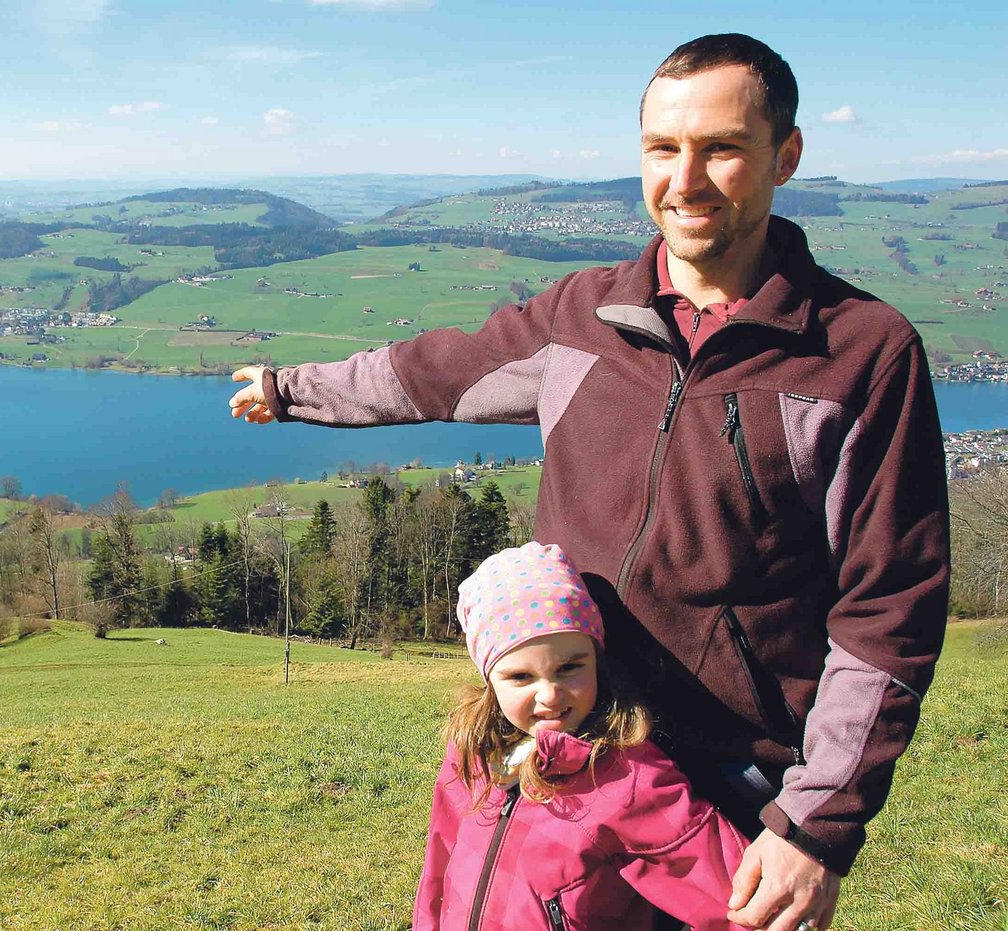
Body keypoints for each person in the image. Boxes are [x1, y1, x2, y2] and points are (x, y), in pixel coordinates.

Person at [229, 33, 950, 931]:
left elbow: (889, 611)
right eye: (662, 147)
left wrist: (814, 825)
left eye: (721, 147)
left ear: (787, 155)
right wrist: (291, 390)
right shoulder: (583, 316)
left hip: (733, 782)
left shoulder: (860, 353)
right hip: (576, 740)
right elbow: (433, 371)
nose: (684, 179)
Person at [417, 542, 749, 930]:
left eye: (569, 668)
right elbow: (440, 862)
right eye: (521, 677)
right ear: (490, 679)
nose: (549, 695)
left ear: (596, 661)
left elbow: (734, 897)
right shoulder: (474, 752)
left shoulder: (627, 778)